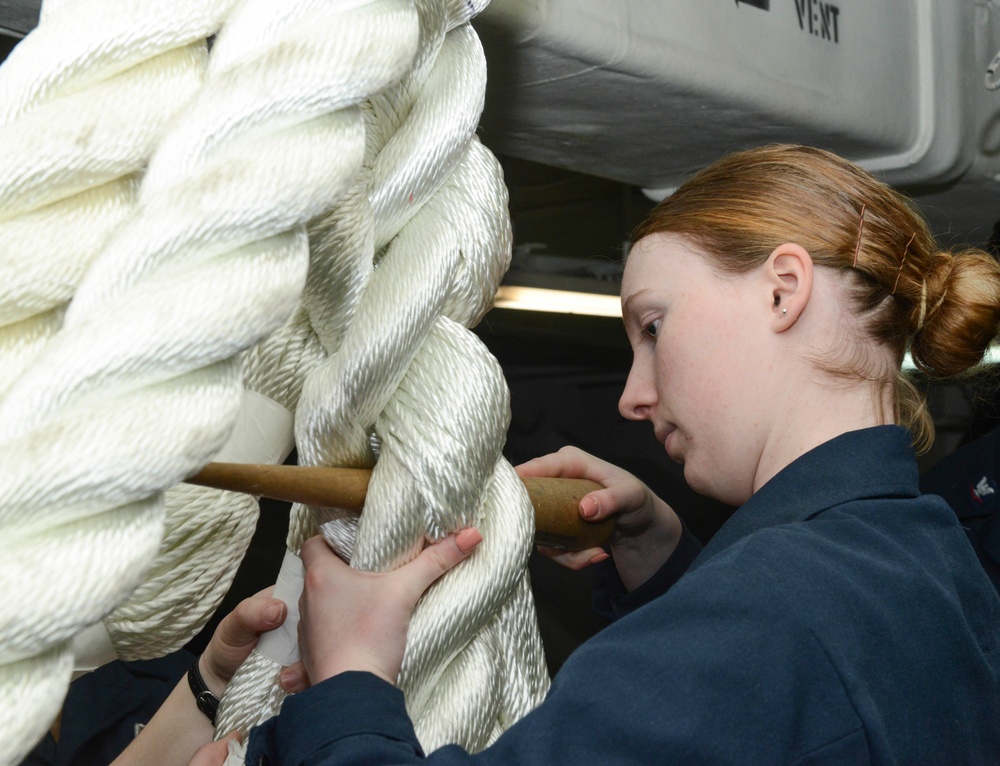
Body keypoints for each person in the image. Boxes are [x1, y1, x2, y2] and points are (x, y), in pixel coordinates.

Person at [154, 144, 1000, 763]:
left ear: (784, 290)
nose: (633, 396)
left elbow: (767, 652)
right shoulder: (935, 565)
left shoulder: (773, 607)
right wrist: (665, 560)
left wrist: (349, 679)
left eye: (654, 328)